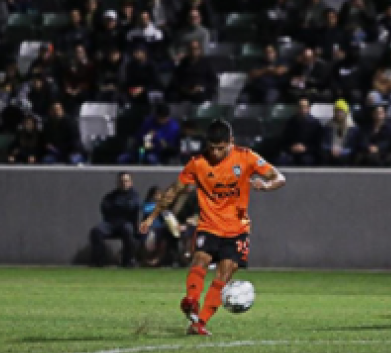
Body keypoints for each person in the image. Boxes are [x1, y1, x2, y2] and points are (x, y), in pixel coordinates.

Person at [140, 120, 286, 335]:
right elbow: (173, 190)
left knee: (224, 273)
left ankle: (199, 323)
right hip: (209, 224)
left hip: (237, 229)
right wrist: (152, 216)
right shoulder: (198, 163)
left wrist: (266, 185)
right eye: (212, 148)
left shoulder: (247, 157)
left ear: (231, 142)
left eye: (221, 148)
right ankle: (191, 300)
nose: (216, 153)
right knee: (200, 259)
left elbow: (279, 177)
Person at [90, 172, 140, 268]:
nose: (124, 183)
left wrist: (117, 206)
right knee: (96, 231)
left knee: (128, 230)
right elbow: (105, 207)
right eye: (121, 181)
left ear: (130, 183)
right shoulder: (111, 195)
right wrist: (121, 206)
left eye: (126, 181)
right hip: (111, 223)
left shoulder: (134, 196)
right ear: (118, 183)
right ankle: (98, 261)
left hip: (126, 223)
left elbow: (132, 207)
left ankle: (127, 260)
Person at [278, 98, 324, 166]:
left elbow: (318, 144)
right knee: (282, 160)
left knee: (306, 160)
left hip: (309, 153)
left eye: (305, 107)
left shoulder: (315, 124)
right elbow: (283, 141)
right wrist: (291, 147)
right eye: (300, 107)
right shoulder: (290, 122)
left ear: (309, 108)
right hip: (291, 152)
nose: (302, 109)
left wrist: (306, 148)